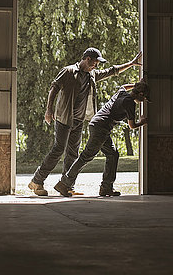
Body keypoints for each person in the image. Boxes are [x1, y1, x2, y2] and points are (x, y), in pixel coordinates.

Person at [28, 48, 142, 196]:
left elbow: (112, 71)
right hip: (64, 118)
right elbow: (54, 88)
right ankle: (37, 181)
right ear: (88, 59)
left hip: (78, 120)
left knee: (73, 153)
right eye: (95, 62)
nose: (96, 66)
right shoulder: (68, 71)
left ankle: (67, 185)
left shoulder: (91, 75)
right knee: (58, 150)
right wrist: (49, 110)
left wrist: (131, 64)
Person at [54, 79, 150, 197]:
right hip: (102, 127)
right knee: (86, 156)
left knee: (113, 154)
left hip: (98, 124)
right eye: (144, 98)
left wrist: (136, 85)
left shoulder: (121, 92)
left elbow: (123, 86)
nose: (144, 100)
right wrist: (143, 122)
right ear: (141, 94)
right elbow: (132, 126)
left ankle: (106, 187)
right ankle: (64, 183)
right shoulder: (130, 102)